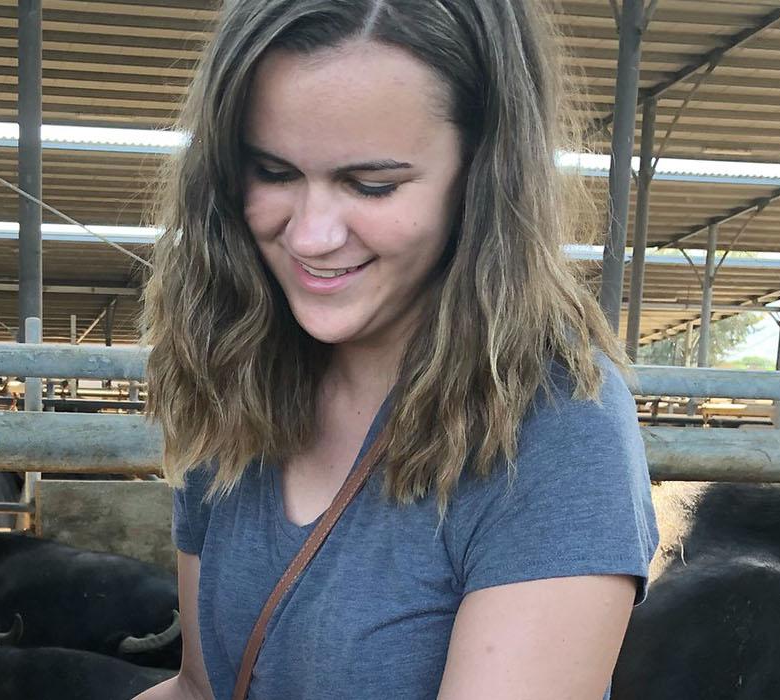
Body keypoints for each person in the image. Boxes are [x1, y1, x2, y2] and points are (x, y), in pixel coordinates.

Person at [135, 1, 658, 698]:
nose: (311, 237)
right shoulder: (235, 364)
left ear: (482, 174)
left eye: (371, 184)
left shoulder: (557, 426)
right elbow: (201, 688)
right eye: (273, 172)